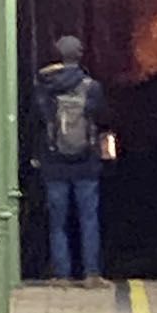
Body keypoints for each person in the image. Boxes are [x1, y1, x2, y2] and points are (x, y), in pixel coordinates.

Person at [32, 35, 108, 287]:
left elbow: (39, 121)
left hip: (54, 164)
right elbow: (103, 121)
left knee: (58, 222)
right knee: (88, 218)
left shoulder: (45, 87)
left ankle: (62, 275)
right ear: (80, 54)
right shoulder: (91, 87)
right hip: (87, 163)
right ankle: (91, 274)